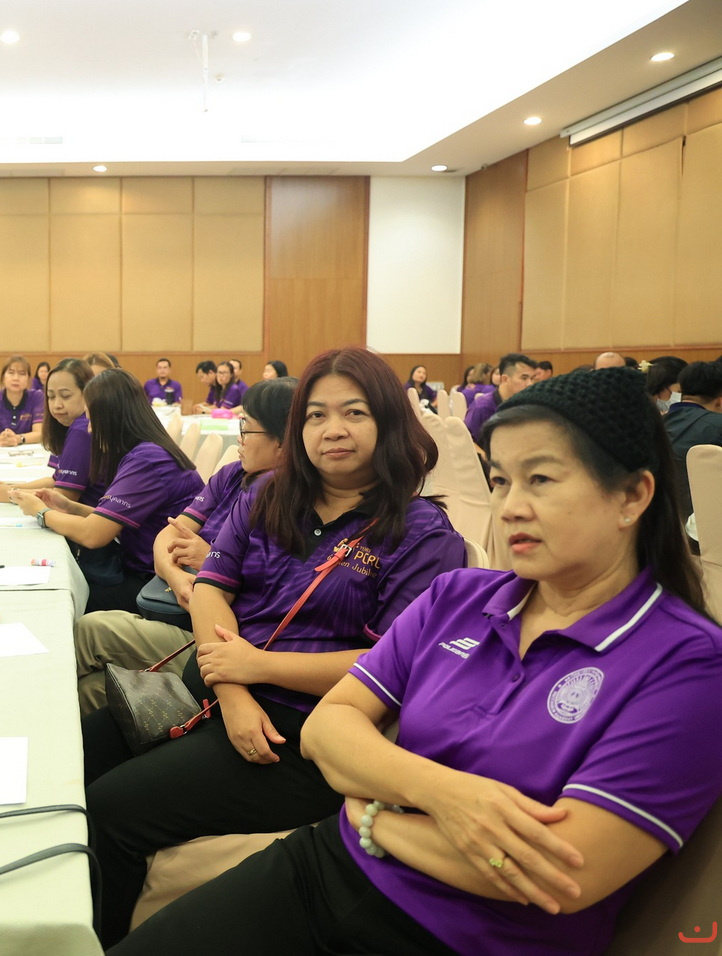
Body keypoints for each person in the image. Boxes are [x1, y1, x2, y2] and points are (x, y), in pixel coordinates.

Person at [115, 366, 722, 956]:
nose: (510, 507)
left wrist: (373, 814)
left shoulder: (686, 664)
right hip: (328, 866)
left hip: (465, 935)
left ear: (632, 496)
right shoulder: (460, 597)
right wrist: (448, 796)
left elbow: (560, 872)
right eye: (500, 481)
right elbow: (328, 730)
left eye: (540, 480)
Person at [84, 347, 466, 948]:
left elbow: (391, 667)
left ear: (390, 423)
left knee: (110, 810)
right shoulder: (268, 495)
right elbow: (211, 589)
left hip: (295, 735)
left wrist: (259, 668)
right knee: (73, 756)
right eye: (316, 415)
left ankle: (96, 941)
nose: (332, 429)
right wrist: (235, 689)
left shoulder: (420, 533)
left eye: (354, 413)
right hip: (211, 692)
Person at [74, 377, 296, 713]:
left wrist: (212, 563)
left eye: (246, 428)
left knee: (90, 632)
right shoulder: (232, 475)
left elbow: (267, 595)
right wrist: (177, 577)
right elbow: (168, 535)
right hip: (181, 608)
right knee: (89, 688)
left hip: (221, 640)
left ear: (284, 442)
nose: (239, 437)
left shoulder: (284, 501)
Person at [9, 368, 204, 614]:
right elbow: (110, 521)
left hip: (157, 583)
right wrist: (70, 507)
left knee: (59, 600)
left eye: (93, 420)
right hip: (148, 570)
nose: (90, 429)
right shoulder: (144, 451)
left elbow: (93, 535)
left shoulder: (147, 460)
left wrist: (41, 513)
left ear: (111, 418)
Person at [0, 358, 107, 506]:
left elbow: (64, 497)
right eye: (51, 396)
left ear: (87, 394)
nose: (56, 405)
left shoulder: (81, 429)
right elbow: (56, 481)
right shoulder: (71, 426)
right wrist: (12, 486)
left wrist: (10, 494)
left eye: (65, 396)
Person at [664, 360, 722, 523]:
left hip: (659, 523)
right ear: (719, 402)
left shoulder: (653, 424)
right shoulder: (718, 425)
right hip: (705, 525)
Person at [465, 353, 537, 442]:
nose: (530, 384)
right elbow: (467, 442)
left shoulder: (527, 406)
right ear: (505, 379)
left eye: (532, 379)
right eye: (524, 378)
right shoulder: (483, 407)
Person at [0, 356, 46, 446]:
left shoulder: (37, 397)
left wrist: (18, 439)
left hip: (28, 451)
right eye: (11, 373)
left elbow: (40, 433)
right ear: (3, 377)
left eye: (22, 374)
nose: (16, 378)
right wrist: (0, 440)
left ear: (28, 378)